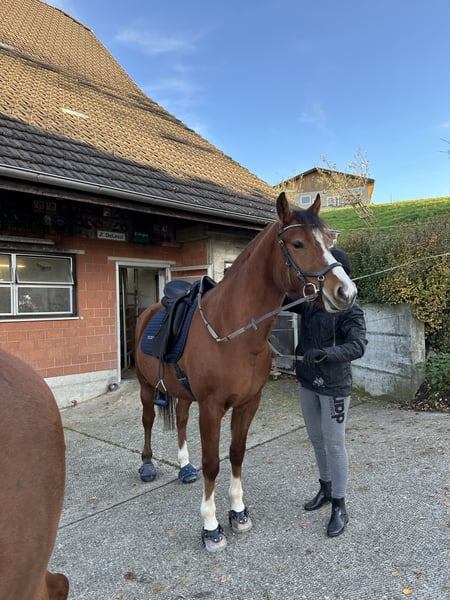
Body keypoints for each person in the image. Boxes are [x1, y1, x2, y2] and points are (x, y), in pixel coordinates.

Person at [287, 248, 367, 537]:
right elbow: (283, 300)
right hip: (307, 381)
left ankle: (339, 505)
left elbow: (358, 345)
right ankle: (326, 488)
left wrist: (327, 353)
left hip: (333, 386)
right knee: (317, 440)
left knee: (334, 445)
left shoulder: (350, 307)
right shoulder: (311, 302)